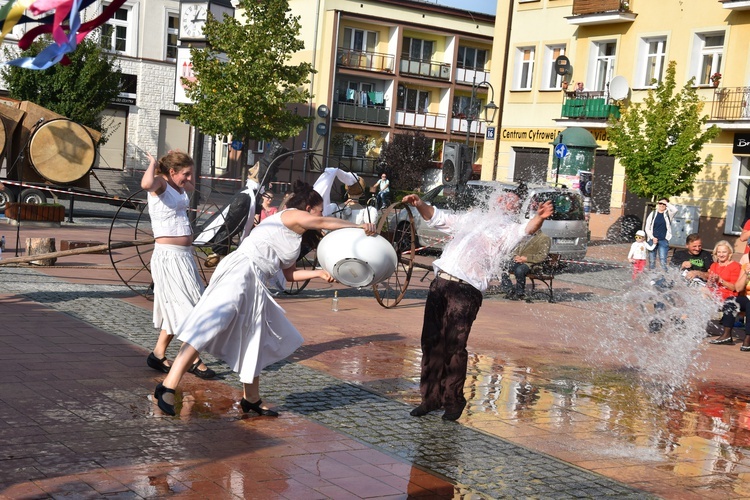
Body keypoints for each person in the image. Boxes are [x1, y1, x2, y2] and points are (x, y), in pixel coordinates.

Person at [152, 180, 378, 417]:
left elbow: (288, 274)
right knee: (212, 322)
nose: (321, 215)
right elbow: (320, 222)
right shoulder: (289, 216)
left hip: (256, 280)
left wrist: (319, 273)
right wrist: (358, 227)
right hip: (241, 269)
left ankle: (251, 399)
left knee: (254, 337)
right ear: (308, 207)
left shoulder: (296, 236)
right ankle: (168, 384)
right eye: (319, 209)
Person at [402, 188, 553, 421]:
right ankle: (430, 399)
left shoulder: (508, 230)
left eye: (511, 201)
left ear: (515, 209)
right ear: (492, 199)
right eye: (502, 196)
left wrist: (540, 218)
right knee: (431, 343)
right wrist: (419, 203)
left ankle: (453, 401)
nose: (504, 201)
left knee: (454, 346)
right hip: (440, 283)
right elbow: (437, 217)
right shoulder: (470, 219)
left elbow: (528, 229)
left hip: (466, 290)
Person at [142, 151, 216, 379]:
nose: (189, 178)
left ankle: (158, 354)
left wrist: (186, 177)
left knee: (183, 304)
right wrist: (154, 164)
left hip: (184, 256)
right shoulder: (161, 185)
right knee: (187, 308)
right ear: (171, 172)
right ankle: (193, 359)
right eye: (185, 173)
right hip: (168, 257)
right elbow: (146, 184)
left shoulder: (178, 186)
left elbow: (192, 187)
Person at [707, 240, 746, 346]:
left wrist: (720, 280)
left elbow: (735, 288)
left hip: (728, 296)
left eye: (724, 252)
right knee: (696, 294)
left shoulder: (735, 266)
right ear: (715, 253)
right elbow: (709, 286)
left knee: (701, 296)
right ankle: (692, 326)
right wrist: (711, 281)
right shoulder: (714, 265)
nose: (721, 254)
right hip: (714, 294)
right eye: (719, 252)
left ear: (729, 253)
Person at [503, 231, 551, 299]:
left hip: (532, 264)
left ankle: (520, 293)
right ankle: (509, 290)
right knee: (502, 267)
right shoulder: (524, 236)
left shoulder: (544, 238)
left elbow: (542, 256)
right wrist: (515, 256)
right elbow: (516, 250)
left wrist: (526, 259)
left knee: (519, 270)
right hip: (519, 261)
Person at [644, 197, 677, 271]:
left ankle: (664, 277)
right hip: (652, 241)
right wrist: (652, 237)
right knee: (652, 261)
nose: (662, 205)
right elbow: (647, 228)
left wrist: (666, 203)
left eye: (664, 204)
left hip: (663, 241)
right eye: (660, 203)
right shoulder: (653, 214)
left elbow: (675, 210)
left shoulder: (668, 214)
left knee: (663, 261)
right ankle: (651, 278)